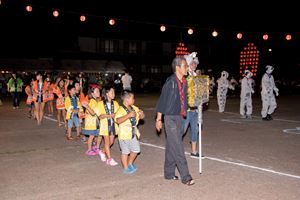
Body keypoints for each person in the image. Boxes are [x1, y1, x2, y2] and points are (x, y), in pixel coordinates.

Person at [155, 57, 195, 186]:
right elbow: (162, 101)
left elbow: (186, 100)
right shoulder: (170, 82)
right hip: (170, 118)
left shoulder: (184, 82)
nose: (187, 68)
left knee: (172, 144)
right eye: (185, 66)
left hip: (180, 117)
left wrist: (196, 103)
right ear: (177, 67)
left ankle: (169, 173)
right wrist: (159, 119)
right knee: (178, 146)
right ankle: (186, 176)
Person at [115, 90, 145, 174]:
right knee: (125, 152)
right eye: (132, 98)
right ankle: (125, 167)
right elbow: (118, 120)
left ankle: (130, 163)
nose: (134, 99)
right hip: (124, 134)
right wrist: (128, 115)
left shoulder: (134, 107)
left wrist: (142, 114)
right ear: (126, 99)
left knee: (136, 150)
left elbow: (141, 117)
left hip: (133, 133)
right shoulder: (120, 109)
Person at [183, 52, 200, 158]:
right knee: (182, 130)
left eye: (195, 64)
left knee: (195, 129)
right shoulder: (185, 76)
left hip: (195, 108)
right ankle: (175, 149)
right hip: (187, 108)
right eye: (193, 63)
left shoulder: (195, 75)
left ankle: (194, 151)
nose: (195, 65)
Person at [98, 84, 120, 166]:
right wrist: (110, 115)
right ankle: (110, 159)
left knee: (111, 142)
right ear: (107, 93)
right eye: (112, 92)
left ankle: (102, 151)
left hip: (113, 125)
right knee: (107, 142)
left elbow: (118, 113)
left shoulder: (115, 103)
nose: (113, 93)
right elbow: (100, 116)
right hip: (105, 126)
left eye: (114, 92)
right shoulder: (100, 104)